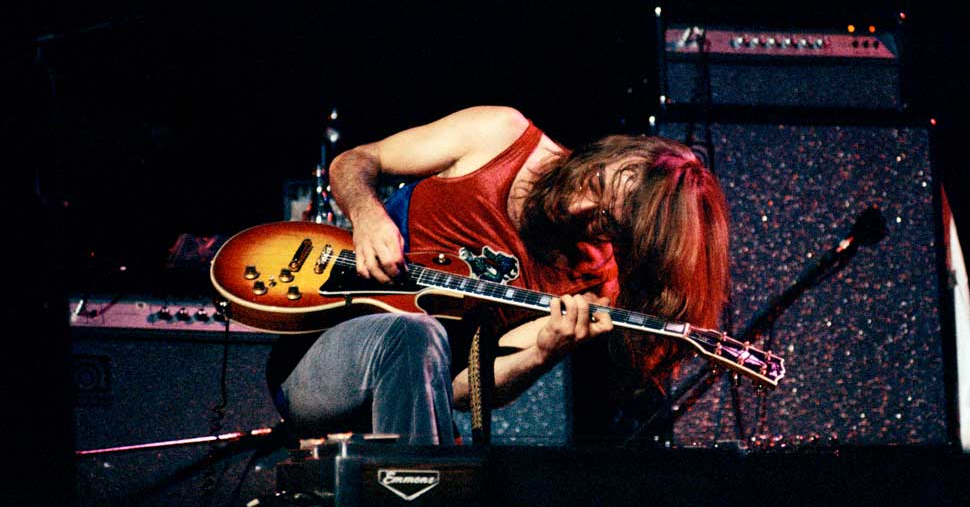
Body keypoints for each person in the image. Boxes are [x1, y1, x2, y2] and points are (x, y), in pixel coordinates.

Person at [266, 105, 729, 446]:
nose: (584, 208)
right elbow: (354, 161)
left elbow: (462, 391)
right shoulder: (501, 135)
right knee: (412, 333)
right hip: (314, 359)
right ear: (613, 153)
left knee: (419, 339)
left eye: (606, 222)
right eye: (598, 185)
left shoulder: (591, 283)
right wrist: (368, 215)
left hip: (415, 403)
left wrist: (544, 352)